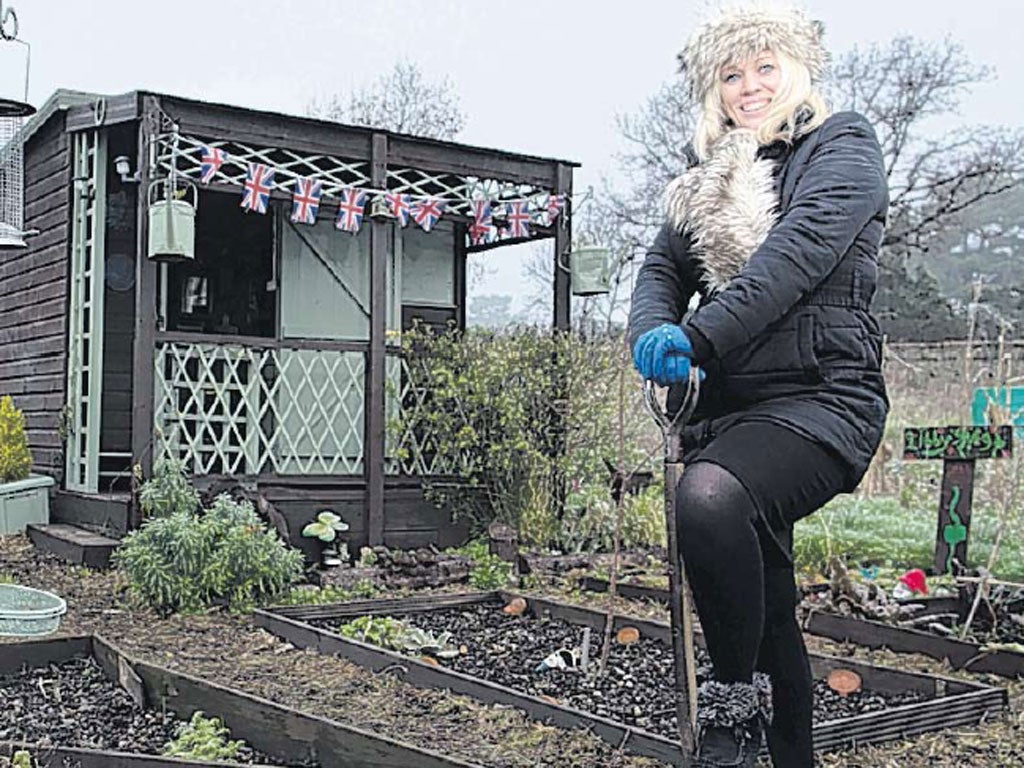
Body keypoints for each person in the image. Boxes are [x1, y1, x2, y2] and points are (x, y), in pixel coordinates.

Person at [628, 5, 888, 767]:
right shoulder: (710, 175)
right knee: (768, 602)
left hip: (822, 395)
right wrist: (653, 334)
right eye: (731, 73)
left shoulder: (843, 145)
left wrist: (699, 336)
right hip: (737, 406)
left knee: (708, 499)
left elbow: (797, 256)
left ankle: (731, 716)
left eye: (764, 67)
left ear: (796, 70)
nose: (749, 86)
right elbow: (663, 268)